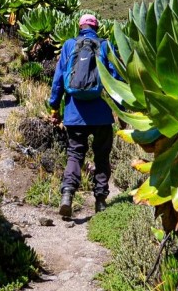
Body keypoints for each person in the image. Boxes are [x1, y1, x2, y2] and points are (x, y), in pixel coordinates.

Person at [47, 13, 119, 220]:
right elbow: (116, 78)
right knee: (102, 156)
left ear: (79, 27)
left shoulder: (69, 45)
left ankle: (67, 195)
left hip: (73, 113)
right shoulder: (105, 45)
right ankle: (100, 201)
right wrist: (123, 111)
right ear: (97, 27)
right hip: (101, 115)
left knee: (75, 154)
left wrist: (54, 108)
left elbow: (59, 79)